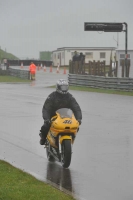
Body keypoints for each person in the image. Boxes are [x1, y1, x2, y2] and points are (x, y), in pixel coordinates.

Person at [39, 79, 82, 145]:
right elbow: (46, 108)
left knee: (76, 126)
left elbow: (76, 107)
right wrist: (46, 119)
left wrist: (79, 118)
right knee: (46, 126)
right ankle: (43, 138)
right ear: (58, 87)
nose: (64, 89)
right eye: (62, 87)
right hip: (53, 116)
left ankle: (71, 139)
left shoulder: (69, 97)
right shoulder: (52, 96)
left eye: (65, 87)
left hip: (66, 116)